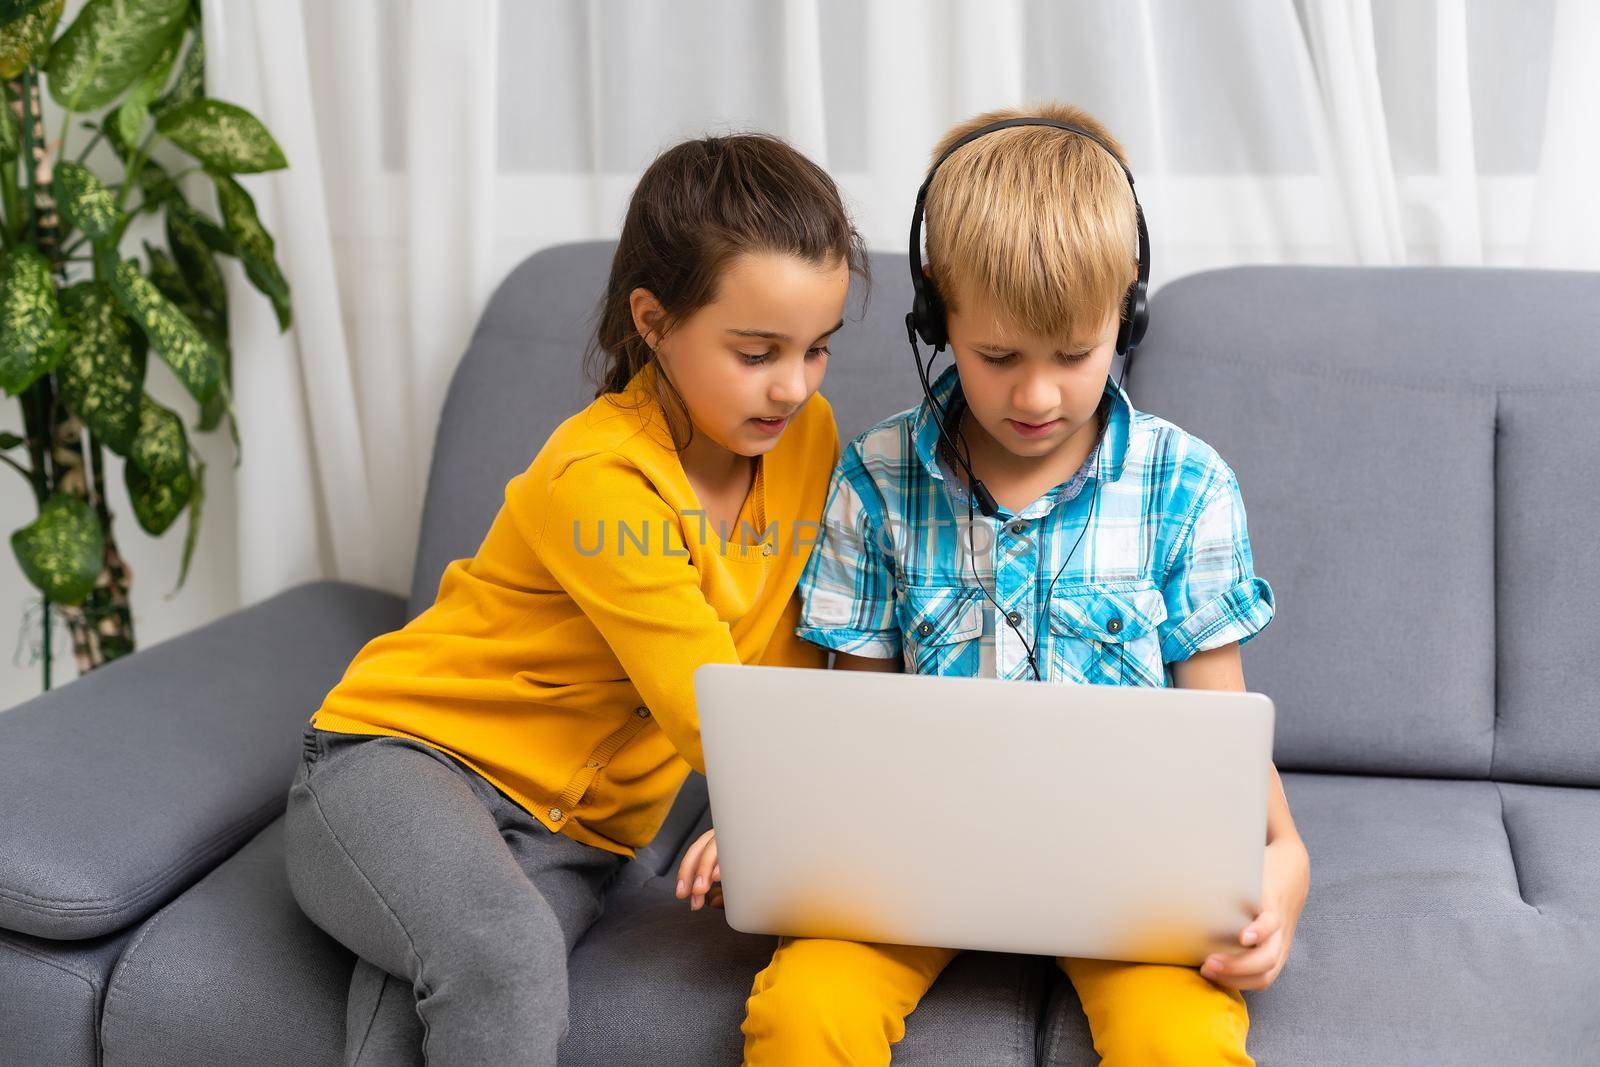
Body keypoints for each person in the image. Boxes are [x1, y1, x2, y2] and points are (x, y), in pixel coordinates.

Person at [676, 103, 1311, 1065]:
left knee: (1180, 1040)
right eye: (998, 356)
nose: (1037, 396)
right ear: (938, 315)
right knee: (802, 1012)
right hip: (911, 868)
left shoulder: (1187, 488)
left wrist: (1286, 867)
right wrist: (774, 828)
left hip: (1128, 882)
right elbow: (854, 727)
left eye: (1075, 354)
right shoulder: (876, 479)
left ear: (1127, 313)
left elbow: (1223, 748)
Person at [284, 131, 867, 1065]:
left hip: (579, 838)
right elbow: (710, 694)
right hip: (404, 764)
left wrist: (746, 813)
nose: (793, 386)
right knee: (504, 963)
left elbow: (789, 646)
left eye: (817, 350)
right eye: (758, 351)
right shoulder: (598, 475)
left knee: (456, 1001)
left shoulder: (807, 438)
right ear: (654, 319)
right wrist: (782, 814)